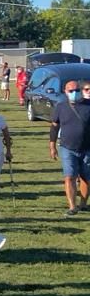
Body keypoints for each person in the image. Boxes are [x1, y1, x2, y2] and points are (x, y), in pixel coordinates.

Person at [49, 78, 90, 215]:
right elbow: (54, 127)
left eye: (77, 90)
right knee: (69, 176)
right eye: (71, 91)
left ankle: (83, 204)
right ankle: (72, 206)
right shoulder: (61, 107)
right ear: (65, 92)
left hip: (87, 148)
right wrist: (52, 145)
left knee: (86, 177)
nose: (74, 93)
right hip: (67, 147)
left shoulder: (88, 105)